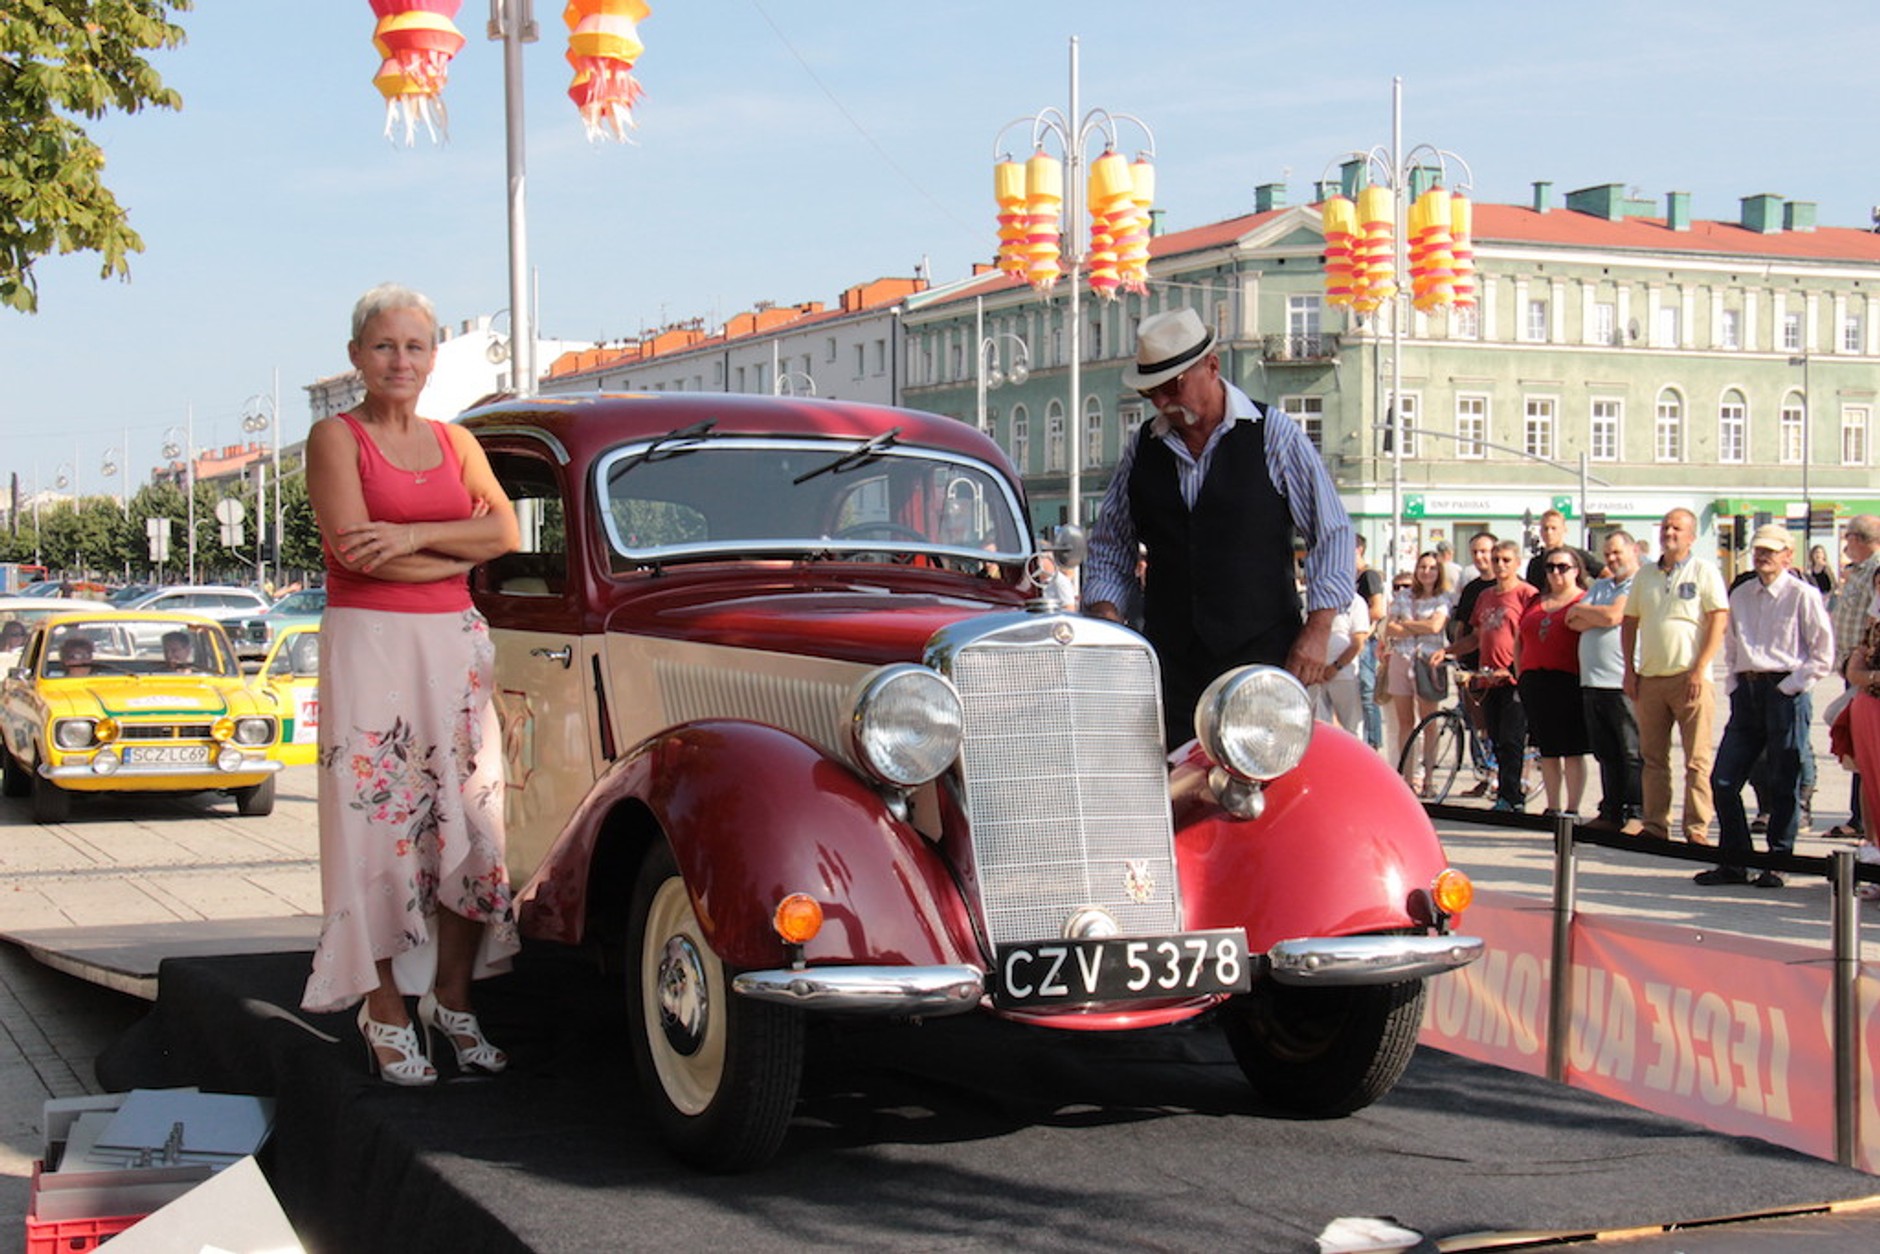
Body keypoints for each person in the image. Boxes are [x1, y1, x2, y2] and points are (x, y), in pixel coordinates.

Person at [300, 282, 522, 1087]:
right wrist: (453, 552)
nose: (401, 360)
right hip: (373, 646)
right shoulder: (335, 437)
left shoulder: (456, 441)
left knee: (473, 821)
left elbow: (506, 530)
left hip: (455, 646)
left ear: (433, 359)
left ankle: (452, 999)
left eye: (416, 346)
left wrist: (411, 535)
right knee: (381, 827)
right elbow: (354, 553)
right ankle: (384, 1005)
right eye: (385, 345)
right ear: (357, 356)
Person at [1085, 307, 1355, 747]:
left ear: (1212, 366)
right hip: (1172, 666)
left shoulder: (1273, 434)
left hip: (1263, 661)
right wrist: (1106, 617)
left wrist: (1318, 628)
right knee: (1174, 780)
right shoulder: (1143, 447)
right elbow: (1110, 546)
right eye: (1151, 391)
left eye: (1172, 386)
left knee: (1262, 780)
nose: (1162, 402)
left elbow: (1332, 533)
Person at [1697, 525, 1834, 888]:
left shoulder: (1802, 595)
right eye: (1759, 550)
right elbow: (1731, 644)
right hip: (1748, 690)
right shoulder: (1741, 594)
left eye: (1771, 551)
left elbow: (1822, 653)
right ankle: (1735, 860)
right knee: (1723, 780)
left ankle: (1778, 859)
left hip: (1785, 689)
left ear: (1788, 555)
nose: (1763, 557)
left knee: (1783, 779)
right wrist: (1734, 685)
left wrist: (1789, 687)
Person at [1622, 508, 1729, 846]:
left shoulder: (1704, 571)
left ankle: (1696, 828)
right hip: (1651, 678)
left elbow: (1718, 619)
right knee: (1653, 758)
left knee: (1697, 760)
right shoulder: (1645, 575)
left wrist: (1700, 668)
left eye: (1677, 528)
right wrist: (1629, 670)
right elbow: (1630, 621)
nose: (1669, 533)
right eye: (1666, 527)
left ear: (1691, 537)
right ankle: (1655, 825)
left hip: (1690, 677)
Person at [1440, 539, 1534, 812]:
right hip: (1487, 677)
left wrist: (1515, 669)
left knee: (1511, 739)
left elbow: (1531, 638)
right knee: (1494, 738)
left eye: (1506, 560)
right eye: (1496, 560)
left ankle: (1512, 797)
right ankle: (1503, 791)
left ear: (1517, 563)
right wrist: (1448, 651)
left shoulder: (1527, 594)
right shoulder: (1485, 596)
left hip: (1513, 678)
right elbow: (1476, 637)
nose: (1500, 565)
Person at [1569, 531, 1643, 833]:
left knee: (1632, 752)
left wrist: (1588, 613)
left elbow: (1614, 616)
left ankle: (1636, 812)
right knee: (1606, 752)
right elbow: (1571, 619)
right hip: (1593, 680)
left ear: (1634, 550)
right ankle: (1611, 811)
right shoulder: (1600, 586)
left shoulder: (1638, 583)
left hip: (1622, 680)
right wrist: (1589, 613)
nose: (1611, 559)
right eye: (1607, 554)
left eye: (1617, 552)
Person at [1516, 547, 1590, 816]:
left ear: (1576, 570)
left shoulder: (1584, 600)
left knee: (1570, 749)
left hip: (1568, 680)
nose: (1556, 573)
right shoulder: (1536, 601)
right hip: (1535, 681)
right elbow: (1519, 640)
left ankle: (1572, 808)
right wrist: (1521, 675)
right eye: (1550, 567)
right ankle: (1553, 805)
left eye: (1562, 567)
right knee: (1546, 750)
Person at [1827, 516, 1880, 840]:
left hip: (1868, 674)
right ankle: (1862, 822)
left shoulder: (1875, 571)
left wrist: (1863, 662)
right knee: (1861, 754)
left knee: (1868, 756)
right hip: (1857, 670)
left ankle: (1864, 823)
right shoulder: (1859, 571)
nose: (1846, 545)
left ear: (1858, 539)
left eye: (1848, 538)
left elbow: (1872, 623)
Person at [1384, 553, 1450, 794]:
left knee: (1428, 722)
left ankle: (1429, 778)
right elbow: (1390, 628)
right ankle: (1407, 778)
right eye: (1422, 567)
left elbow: (1435, 626)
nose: (1427, 572)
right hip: (1401, 659)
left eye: (1432, 568)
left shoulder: (1443, 598)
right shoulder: (1403, 596)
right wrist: (1418, 626)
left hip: (1427, 662)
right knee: (1405, 723)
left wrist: (1406, 625)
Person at [1312, 587, 1372, 734]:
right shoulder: (1313, 597)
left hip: (1344, 675)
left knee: (1352, 730)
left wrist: (1335, 667)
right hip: (1315, 675)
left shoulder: (1355, 601)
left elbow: (1358, 643)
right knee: (1318, 728)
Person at [1354, 534, 1388, 751]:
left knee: (1368, 694)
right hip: (1357, 640)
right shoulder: (1354, 577)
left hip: (1365, 641)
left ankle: (1373, 742)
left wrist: (1357, 622)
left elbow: (1378, 610)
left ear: (1358, 549)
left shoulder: (1369, 576)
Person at [1524, 508, 1603, 591]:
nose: (1549, 532)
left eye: (1554, 528)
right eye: (1545, 528)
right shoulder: (1535, 563)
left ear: (1564, 529)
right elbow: (1531, 592)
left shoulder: (1578, 555)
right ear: (1540, 532)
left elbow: (1606, 575)